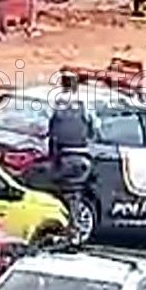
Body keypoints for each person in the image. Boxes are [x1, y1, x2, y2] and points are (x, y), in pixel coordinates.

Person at [47, 72, 94, 242]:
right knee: (76, 194)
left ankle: (68, 229)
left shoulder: (57, 102)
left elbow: (51, 131)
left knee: (61, 192)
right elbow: (93, 127)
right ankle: (73, 229)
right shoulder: (84, 102)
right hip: (82, 157)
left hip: (64, 156)